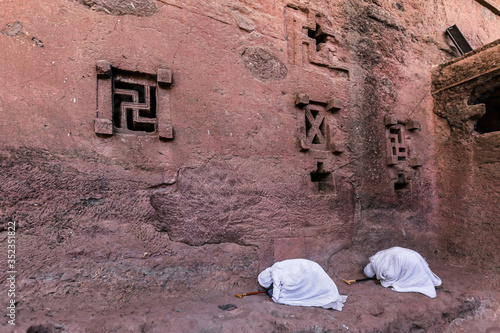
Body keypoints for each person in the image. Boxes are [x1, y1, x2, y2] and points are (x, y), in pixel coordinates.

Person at [258, 258, 347, 311]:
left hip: (307, 271)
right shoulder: (276, 266)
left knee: (285, 296)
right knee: (320, 285)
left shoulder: (275, 274)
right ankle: (330, 296)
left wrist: (274, 299)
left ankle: (329, 298)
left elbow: (277, 288)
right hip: (311, 266)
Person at [363, 246, 442, 298]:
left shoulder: (382, 269)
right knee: (420, 271)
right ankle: (430, 281)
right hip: (412, 254)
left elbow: (391, 276)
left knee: (414, 275)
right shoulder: (377, 257)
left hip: (408, 260)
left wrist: (382, 280)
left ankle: (426, 284)